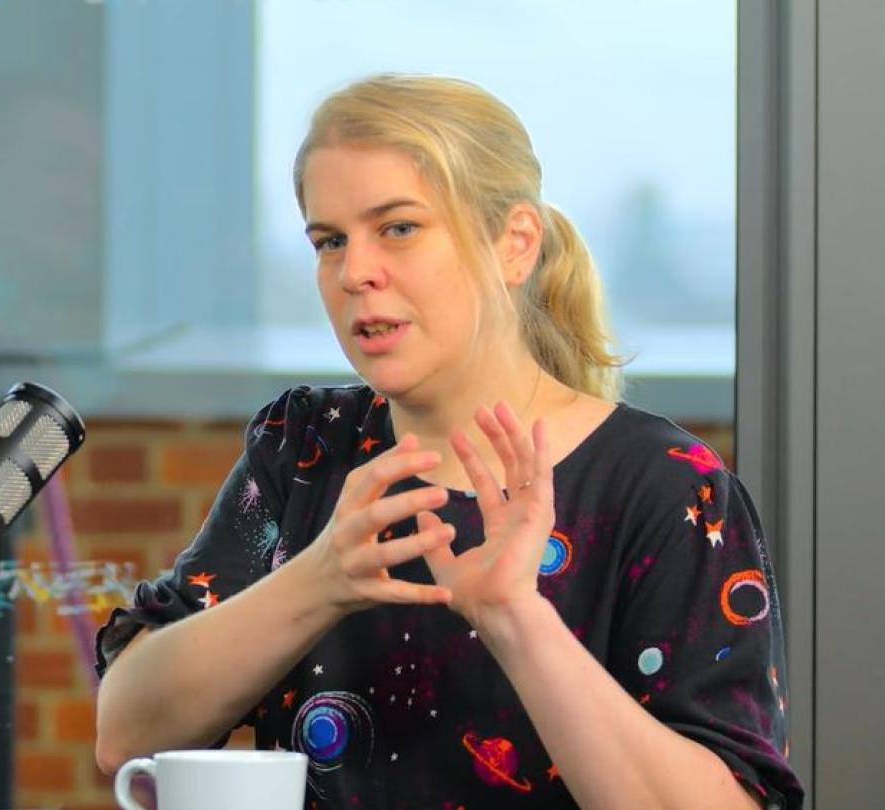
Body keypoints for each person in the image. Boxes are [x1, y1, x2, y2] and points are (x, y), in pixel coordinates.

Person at [93, 74, 803, 810]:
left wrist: (515, 616)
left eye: (398, 227)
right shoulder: (305, 446)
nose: (354, 272)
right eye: (329, 241)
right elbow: (126, 736)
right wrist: (318, 579)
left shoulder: (662, 485)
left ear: (514, 244)